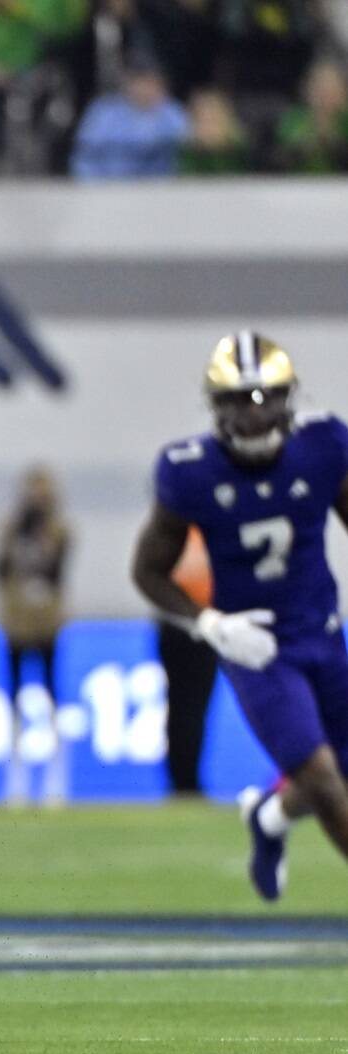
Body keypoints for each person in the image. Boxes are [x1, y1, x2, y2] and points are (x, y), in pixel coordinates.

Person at [131, 331, 348, 901]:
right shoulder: (190, 470)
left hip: (323, 633)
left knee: (333, 778)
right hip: (255, 647)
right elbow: (148, 571)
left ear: (288, 397)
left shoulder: (324, 445)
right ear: (215, 406)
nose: (254, 414)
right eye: (238, 400)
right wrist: (210, 625)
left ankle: (270, 817)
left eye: (266, 397)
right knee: (322, 777)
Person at [0, 465, 71, 804]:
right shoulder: (9, 530)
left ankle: (56, 776)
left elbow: (55, 572)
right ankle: (16, 776)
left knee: (51, 694)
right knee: (14, 697)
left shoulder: (59, 531)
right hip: (16, 622)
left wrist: (42, 534)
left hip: (46, 623)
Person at [156, 527, 218, 796]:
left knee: (194, 709)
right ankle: (181, 779)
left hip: (206, 628)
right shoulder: (174, 532)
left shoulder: (206, 530)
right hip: (180, 628)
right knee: (183, 707)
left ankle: (187, 778)